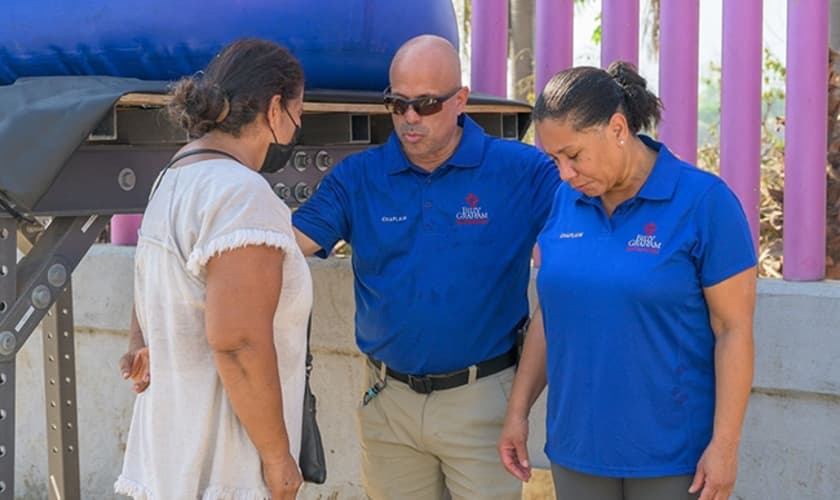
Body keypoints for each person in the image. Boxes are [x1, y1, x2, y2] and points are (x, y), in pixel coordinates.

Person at [291, 34, 561, 499]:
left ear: (460, 100)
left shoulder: (522, 171)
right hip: (387, 401)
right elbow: (283, 245)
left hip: (482, 399)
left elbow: (593, 221)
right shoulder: (359, 176)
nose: (410, 117)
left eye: (426, 104)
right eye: (398, 104)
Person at [497, 61, 757, 500]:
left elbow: (733, 330)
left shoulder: (705, 203)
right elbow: (552, 312)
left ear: (617, 128)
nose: (564, 173)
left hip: (674, 459)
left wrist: (725, 446)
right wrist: (517, 412)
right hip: (576, 451)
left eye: (574, 155)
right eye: (554, 159)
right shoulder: (565, 201)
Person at [114, 39, 311, 500]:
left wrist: (139, 340)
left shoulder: (173, 179)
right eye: (299, 113)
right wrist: (278, 458)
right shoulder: (242, 194)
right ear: (275, 109)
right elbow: (239, 342)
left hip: (174, 458)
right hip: (228, 467)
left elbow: (152, 278)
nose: (298, 127)